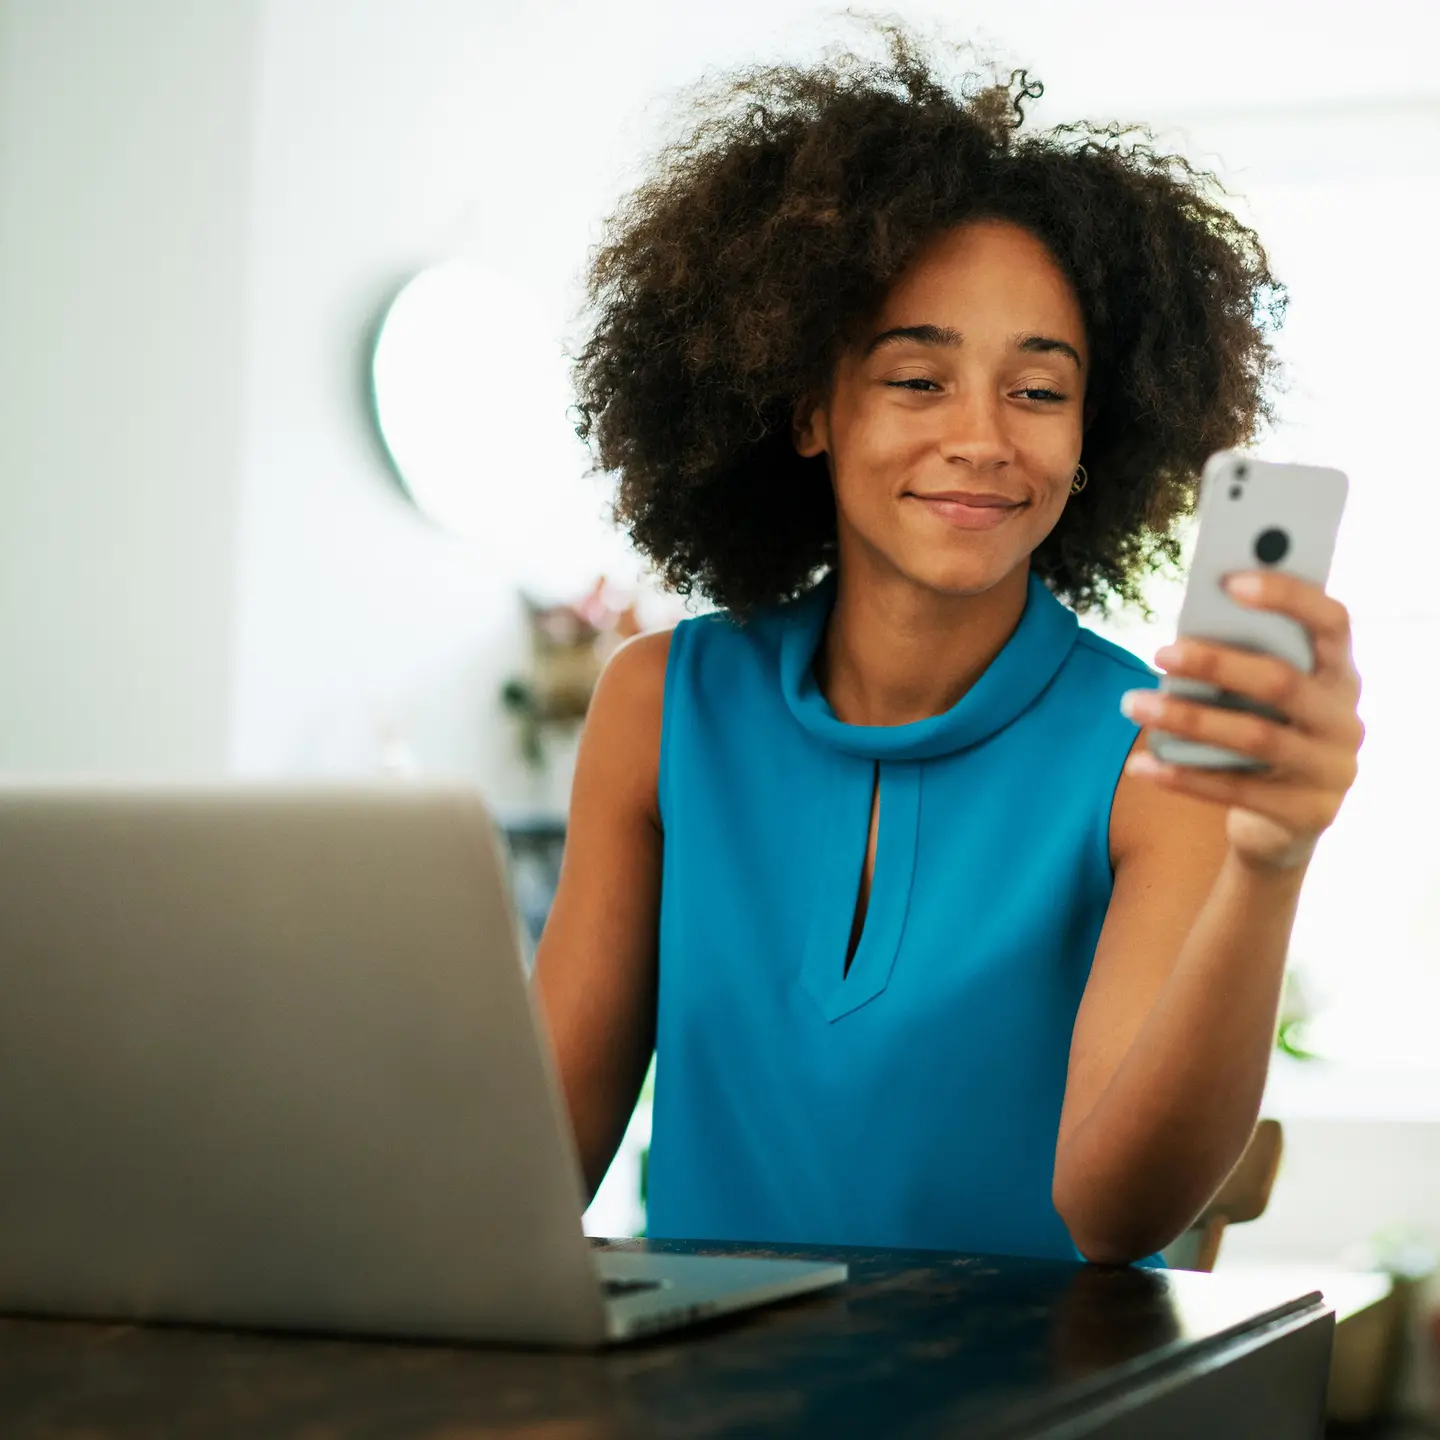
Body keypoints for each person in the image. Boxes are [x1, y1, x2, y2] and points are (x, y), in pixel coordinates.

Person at [533, 24, 1364, 1266]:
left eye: (1038, 391)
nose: (982, 436)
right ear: (809, 408)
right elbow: (536, 1158)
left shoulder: (1159, 756)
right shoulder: (660, 705)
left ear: (1095, 438)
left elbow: (1116, 1211)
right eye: (917, 380)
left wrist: (1268, 864)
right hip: (699, 1396)